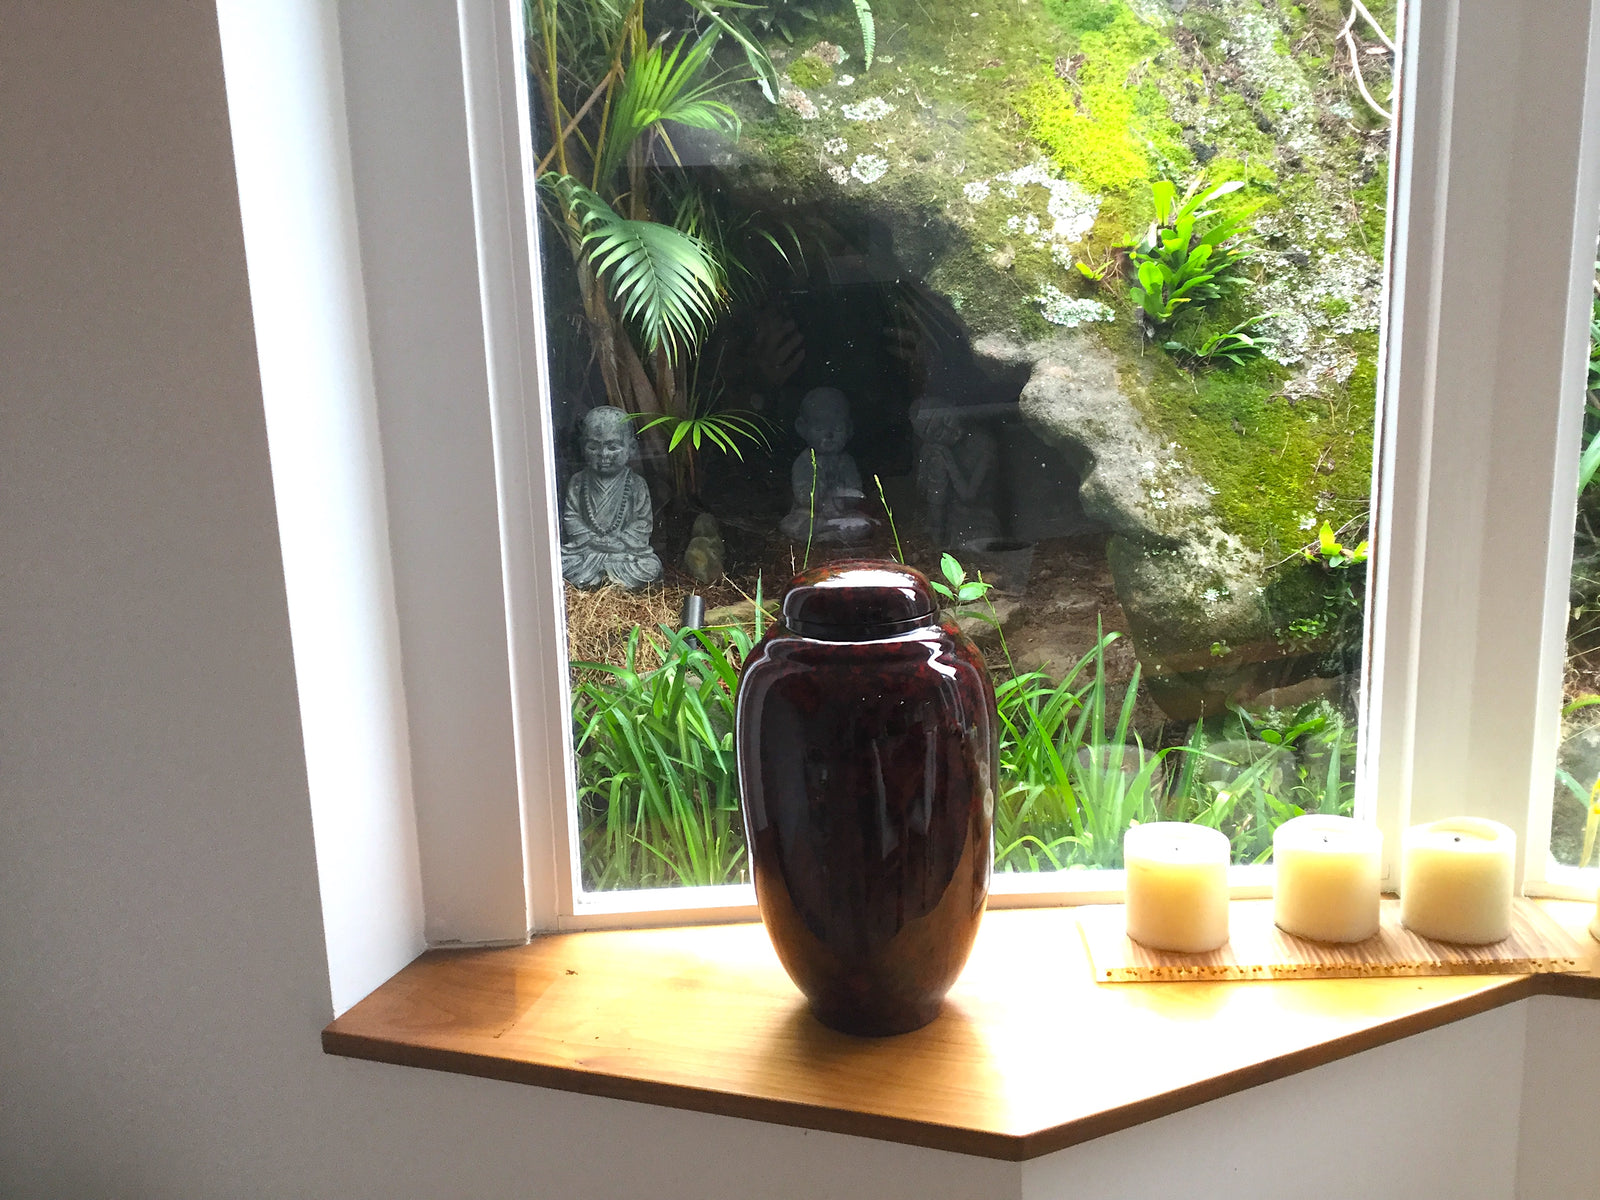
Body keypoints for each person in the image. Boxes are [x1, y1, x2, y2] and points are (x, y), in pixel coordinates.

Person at [561, 406, 663, 590]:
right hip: (587, 553)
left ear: (631, 448)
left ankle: (606, 580)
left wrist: (620, 541)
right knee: (563, 564)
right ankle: (603, 580)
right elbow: (571, 517)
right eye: (593, 447)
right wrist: (591, 539)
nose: (603, 455)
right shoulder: (578, 481)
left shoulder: (636, 484)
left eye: (613, 447)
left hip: (622, 555)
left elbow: (643, 522)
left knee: (649, 567)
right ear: (583, 447)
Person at [779, 387, 874, 544]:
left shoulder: (846, 462)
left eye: (837, 429)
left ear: (849, 429)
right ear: (802, 428)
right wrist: (821, 495)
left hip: (842, 514)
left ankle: (830, 536)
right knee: (794, 523)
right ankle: (826, 534)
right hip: (811, 515)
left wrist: (842, 496)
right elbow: (803, 495)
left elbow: (856, 491)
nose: (829, 436)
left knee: (862, 523)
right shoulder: (804, 461)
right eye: (819, 429)